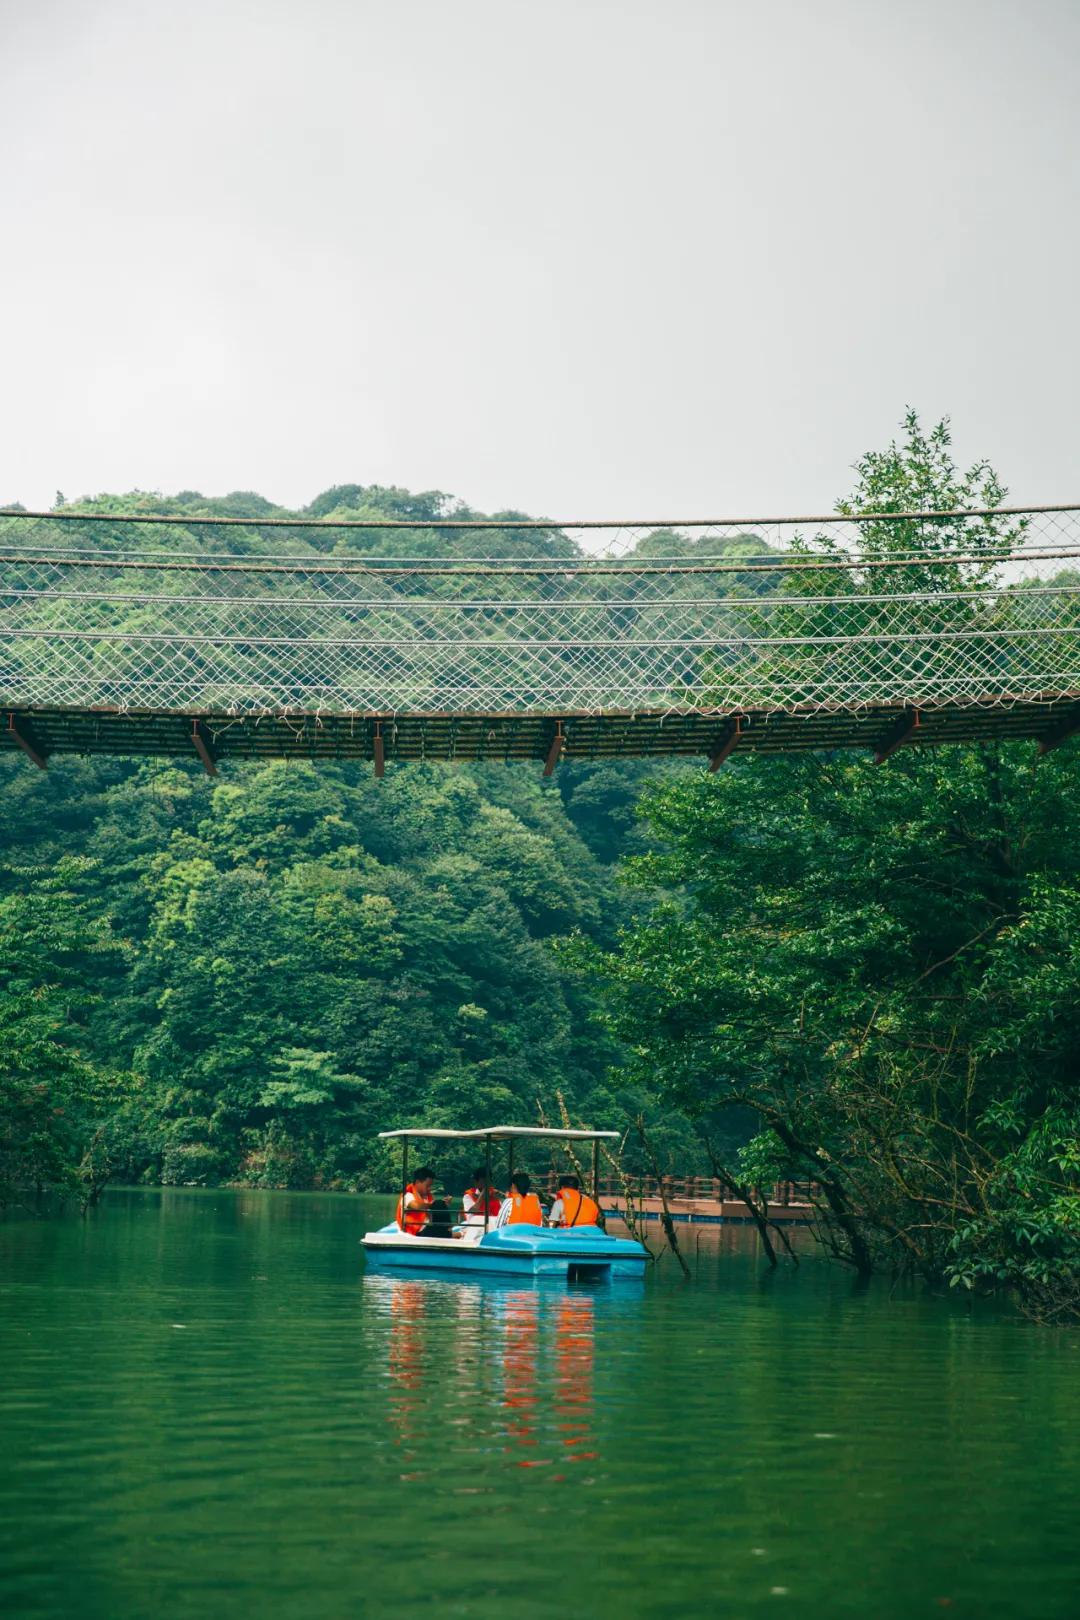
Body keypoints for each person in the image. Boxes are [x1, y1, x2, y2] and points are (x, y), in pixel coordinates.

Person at [396, 1165, 436, 1234]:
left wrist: (443, 1204)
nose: (430, 1188)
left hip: (426, 1230)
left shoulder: (427, 1197)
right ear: (417, 1182)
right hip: (411, 1232)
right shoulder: (407, 1196)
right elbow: (417, 1206)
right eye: (427, 1186)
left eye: (431, 1186)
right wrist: (435, 1205)